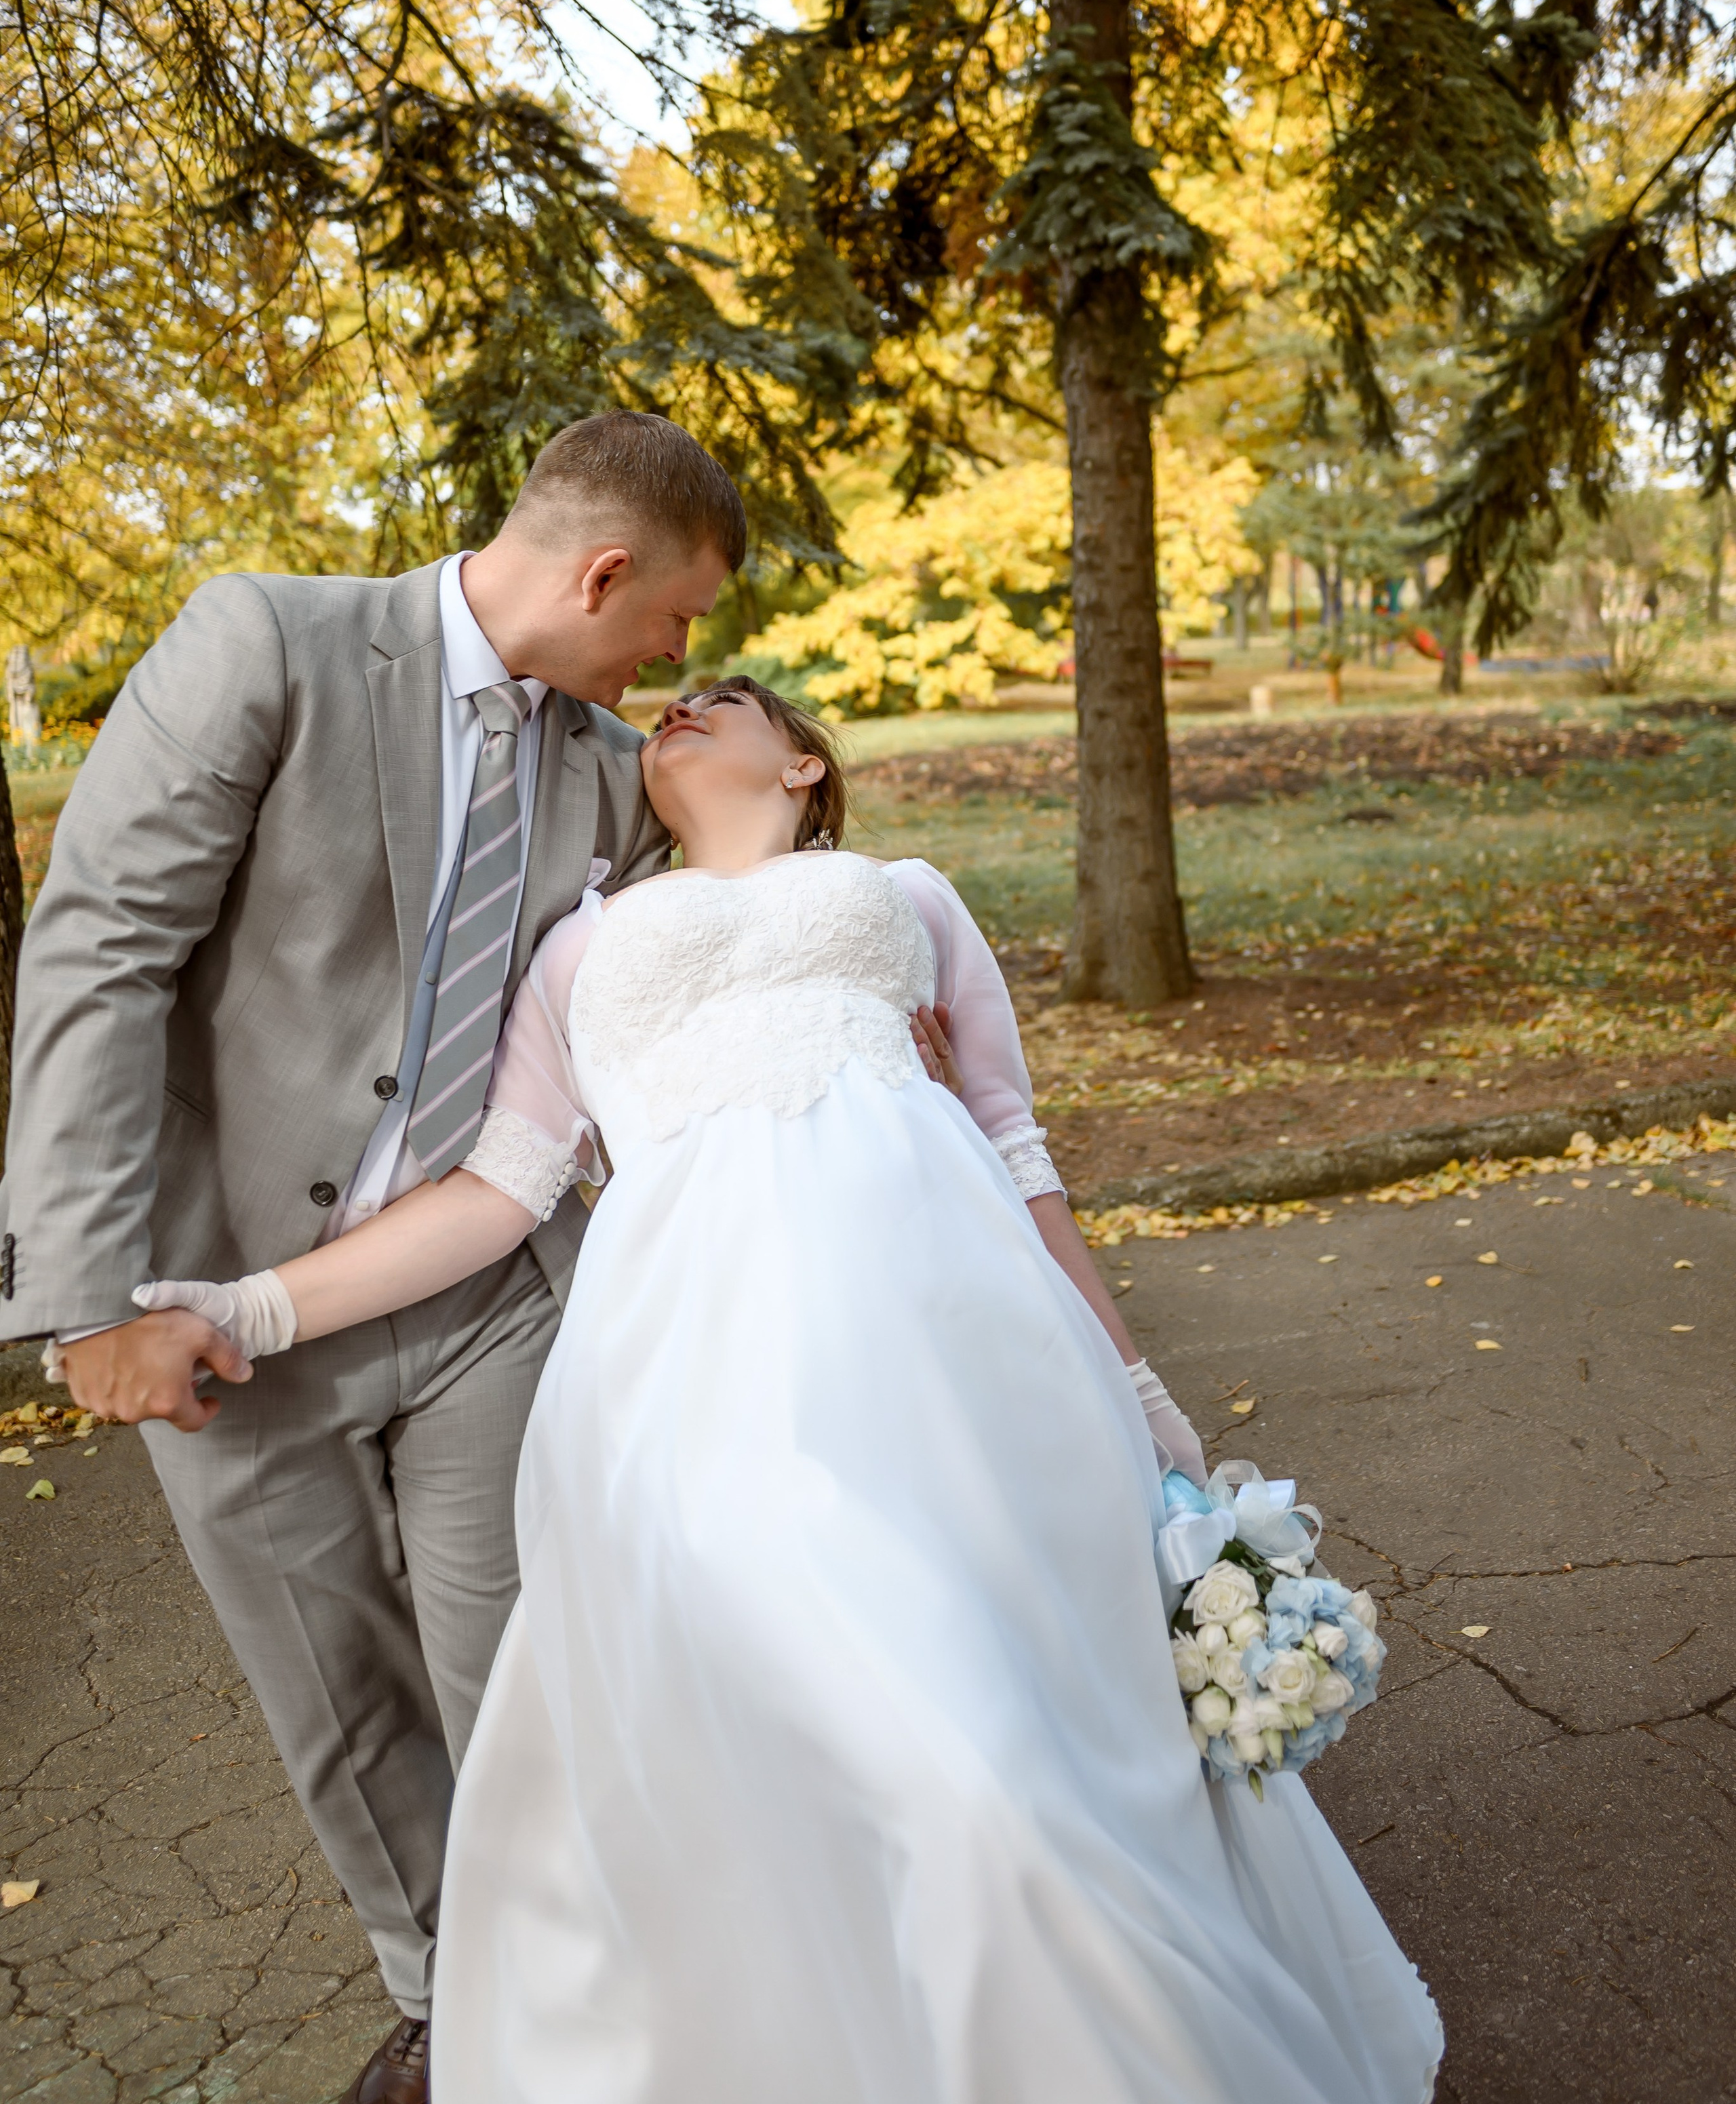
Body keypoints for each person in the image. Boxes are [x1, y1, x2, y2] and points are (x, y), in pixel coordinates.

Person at [130, 678, 1444, 2103]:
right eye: (673, 699)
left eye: (729, 698)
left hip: (957, 1357)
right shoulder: (579, 946)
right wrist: (256, 1303)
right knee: (816, 1699)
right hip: (698, 1375)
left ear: (804, 763)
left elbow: (1011, 1140)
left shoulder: (902, 892)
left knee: (1006, 1733)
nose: (681, 708)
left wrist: (1129, 1374)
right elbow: (492, 1193)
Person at [0, 412, 747, 2104]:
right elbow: (100, 949)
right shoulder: (268, 643)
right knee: (338, 1699)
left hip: (483, 1300)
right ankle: (454, 2010)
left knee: (528, 1676)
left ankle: (591, 2020)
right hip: (228, 1308)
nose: (676, 659)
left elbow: (680, 963)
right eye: (675, 620)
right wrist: (91, 1295)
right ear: (607, 572)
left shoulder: (598, 767)